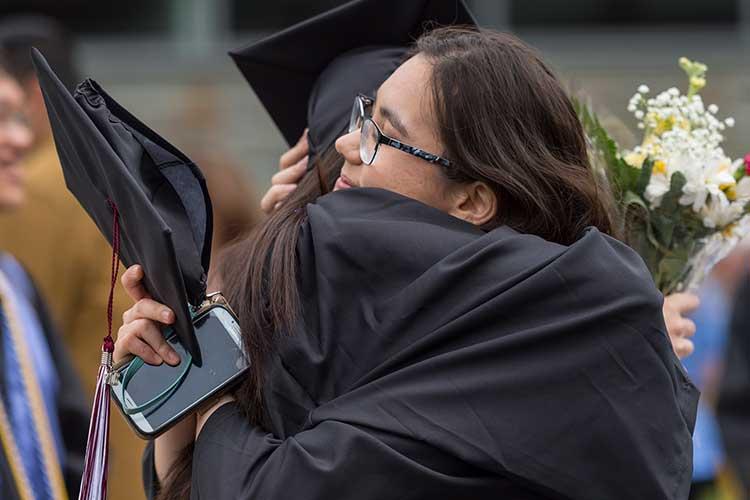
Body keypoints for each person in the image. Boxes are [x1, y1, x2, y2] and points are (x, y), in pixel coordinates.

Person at [115, 23, 697, 499]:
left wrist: (210, 387)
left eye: (379, 134)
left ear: (472, 199)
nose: (346, 143)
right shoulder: (362, 306)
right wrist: (185, 377)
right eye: (360, 115)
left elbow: (282, 486)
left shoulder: (552, 337)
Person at [0, 16, 146, 500]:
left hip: (76, 461)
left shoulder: (41, 187)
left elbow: (19, 353)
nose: (16, 138)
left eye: (16, 114)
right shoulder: (102, 165)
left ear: (35, 97)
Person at [0, 50, 88, 500]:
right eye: (0, 118)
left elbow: (68, 438)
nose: (19, 137)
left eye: (18, 116)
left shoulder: (15, 284)